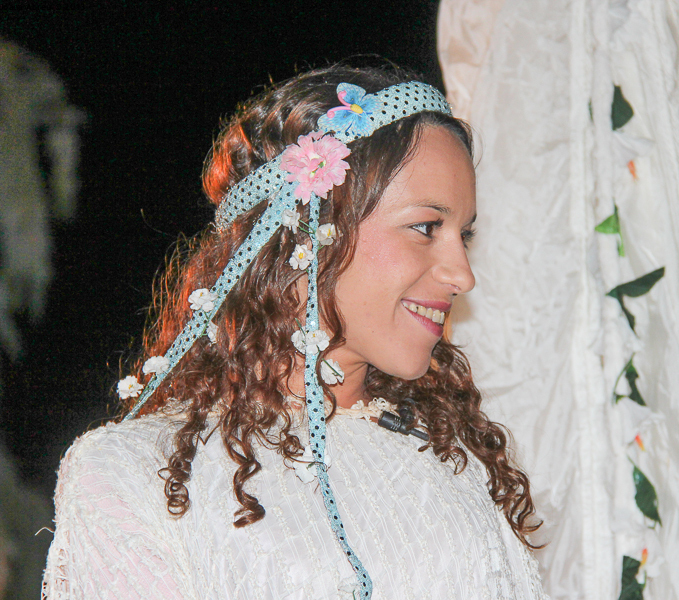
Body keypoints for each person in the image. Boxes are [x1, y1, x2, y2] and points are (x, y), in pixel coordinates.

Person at [42, 64, 548, 600]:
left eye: (464, 235)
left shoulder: (454, 455)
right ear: (306, 230)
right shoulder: (135, 473)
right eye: (426, 227)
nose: (463, 275)